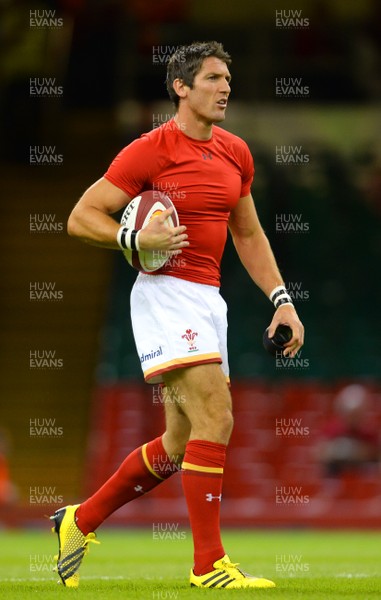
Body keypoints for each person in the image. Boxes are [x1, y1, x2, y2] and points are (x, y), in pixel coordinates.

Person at [50, 41, 304, 589]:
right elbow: (80, 217)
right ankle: (208, 565)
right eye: (213, 78)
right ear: (181, 88)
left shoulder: (236, 152)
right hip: (165, 293)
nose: (225, 87)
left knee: (180, 446)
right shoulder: (149, 151)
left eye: (227, 79)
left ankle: (79, 520)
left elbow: (248, 233)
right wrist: (133, 236)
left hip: (210, 299)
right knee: (219, 417)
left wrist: (282, 301)